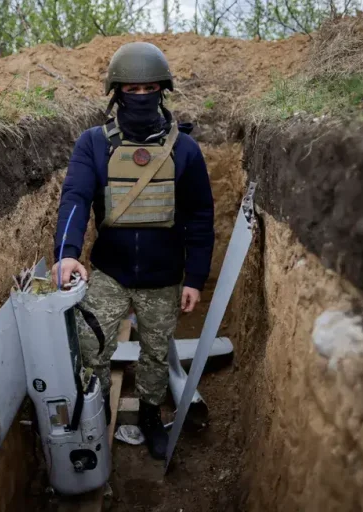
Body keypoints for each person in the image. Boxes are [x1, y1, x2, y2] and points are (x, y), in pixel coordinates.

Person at [51, 41, 215, 461]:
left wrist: (195, 278)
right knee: (91, 348)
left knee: (157, 355)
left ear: (163, 91)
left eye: (149, 89)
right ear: (116, 92)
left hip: (164, 276)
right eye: (132, 89)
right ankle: (99, 410)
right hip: (109, 271)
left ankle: (148, 416)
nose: (141, 96)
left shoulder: (185, 150)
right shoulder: (93, 144)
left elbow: (200, 217)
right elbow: (75, 198)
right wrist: (67, 252)